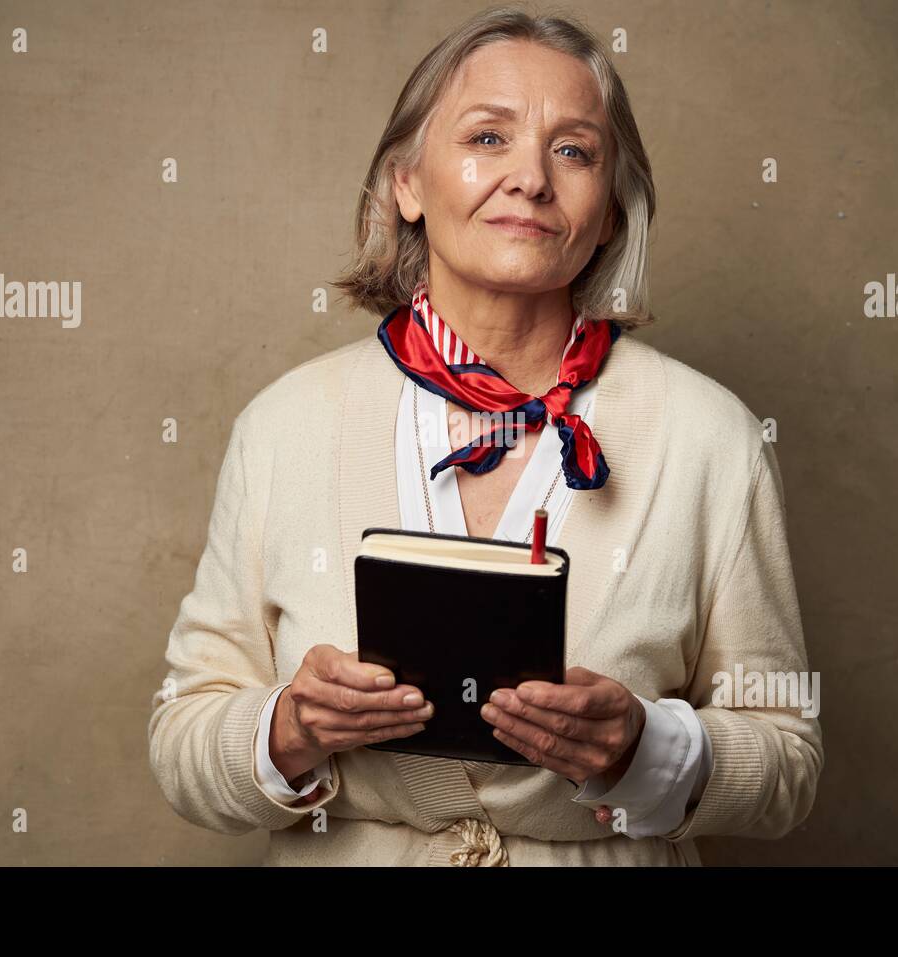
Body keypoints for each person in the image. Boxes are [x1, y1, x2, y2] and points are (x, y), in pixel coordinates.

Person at [148, 5, 821, 866]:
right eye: (487, 138)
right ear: (407, 183)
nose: (532, 180)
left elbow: (789, 761)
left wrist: (643, 748)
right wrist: (289, 725)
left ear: (610, 210)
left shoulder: (713, 438)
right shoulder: (283, 425)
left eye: (573, 150)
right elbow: (180, 737)